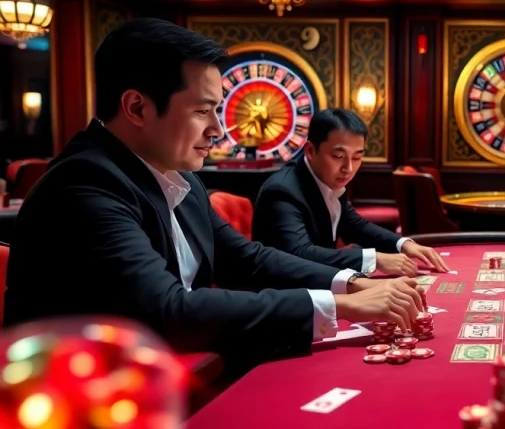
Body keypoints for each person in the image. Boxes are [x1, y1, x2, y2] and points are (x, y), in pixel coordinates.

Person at [3, 18, 423, 357]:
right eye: (203, 110)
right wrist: (342, 306)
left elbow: (248, 259)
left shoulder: (178, 177)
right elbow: (167, 311)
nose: (217, 129)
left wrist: (352, 283)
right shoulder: (84, 186)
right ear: (137, 107)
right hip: (79, 417)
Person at [251, 109, 449, 275]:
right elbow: (300, 253)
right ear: (310, 151)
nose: (348, 168)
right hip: (283, 297)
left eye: (357, 157)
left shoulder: (328, 179)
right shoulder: (282, 191)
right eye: (338, 156)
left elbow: (354, 225)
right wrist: (374, 259)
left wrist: (403, 244)